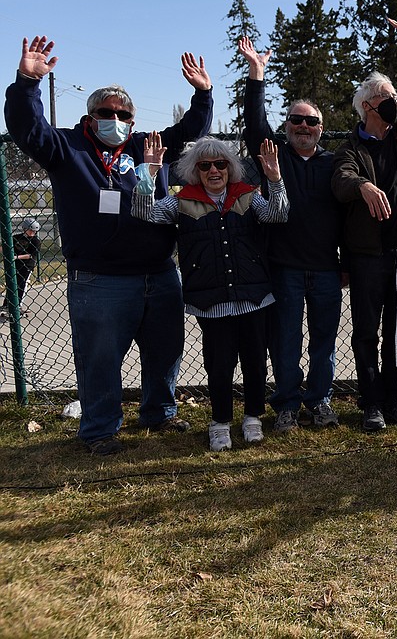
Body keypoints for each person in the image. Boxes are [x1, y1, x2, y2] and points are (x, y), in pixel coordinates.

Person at [5, 36, 212, 455]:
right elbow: (27, 129)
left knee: (165, 352)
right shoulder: (68, 147)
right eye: (106, 113)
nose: (115, 119)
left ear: (134, 122)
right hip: (99, 280)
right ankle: (99, 429)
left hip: (158, 272)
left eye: (123, 114)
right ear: (91, 116)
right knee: (99, 362)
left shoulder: (144, 147)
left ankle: (159, 412)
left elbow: (191, 129)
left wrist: (203, 93)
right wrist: (27, 82)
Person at [133, 134, 288, 451]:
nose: (214, 171)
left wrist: (275, 179)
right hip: (211, 303)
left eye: (220, 164)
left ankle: (253, 418)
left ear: (231, 167)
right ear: (195, 170)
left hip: (254, 299)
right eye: (205, 166)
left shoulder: (247, 196)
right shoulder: (182, 201)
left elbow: (278, 214)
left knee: (255, 363)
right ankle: (220, 422)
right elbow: (143, 212)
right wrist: (148, 173)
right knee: (219, 366)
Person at [332, 19, 397, 432]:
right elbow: (340, 181)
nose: (394, 101)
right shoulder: (350, 147)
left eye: (394, 94)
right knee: (366, 332)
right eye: (386, 97)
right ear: (367, 107)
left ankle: (396, 394)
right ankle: (370, 401)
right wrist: (364, 185)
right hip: (367, 256)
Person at [239, 36, 344, 432]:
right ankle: (286, 404)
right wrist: (257, 75)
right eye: (296, 120)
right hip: (283, 269)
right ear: (286, 127)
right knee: (284, 342)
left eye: (311, 121)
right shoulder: (273, 154)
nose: (303, 126)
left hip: (325, 270)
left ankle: (319, 402)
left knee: (323, 343)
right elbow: (253, 122)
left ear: (321, 129)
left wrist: (345, 264)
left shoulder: (334, 164)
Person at [1, 218, 41, 317]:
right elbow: (5, 247)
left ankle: (18, 306)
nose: (32, 233)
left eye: (34, 231)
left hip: (27, 265)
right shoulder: (16, 237)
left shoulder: (36, 241)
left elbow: (30, 255)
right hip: (15, 265)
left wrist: (15, 257)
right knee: (12, 284)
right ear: (24, 229)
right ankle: (7, 305)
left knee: (22, 284)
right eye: (30, 230)